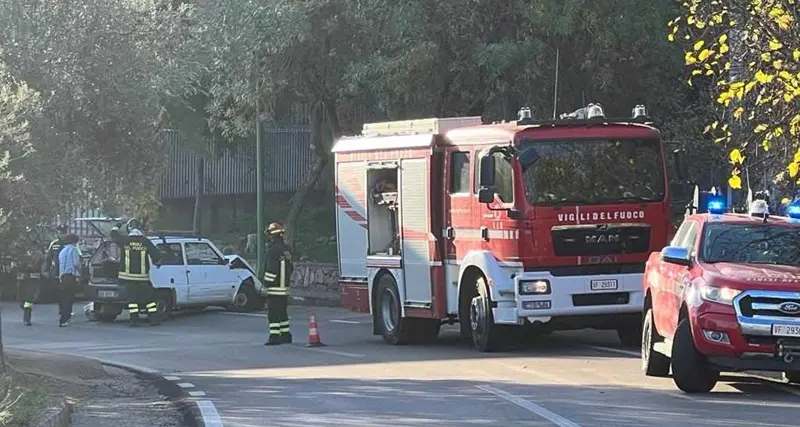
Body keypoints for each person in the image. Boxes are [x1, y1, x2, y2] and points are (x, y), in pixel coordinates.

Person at [110, 219, 163, 327]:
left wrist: (119, 223)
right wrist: (157, 262)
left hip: (128, 278)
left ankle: (134, 321)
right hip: (143, 278)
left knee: (132, 300)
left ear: (129, 229)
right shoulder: (145, 241)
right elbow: (156, 255)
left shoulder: (124, 240)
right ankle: (154, 320)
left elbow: (113, 233)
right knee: (150, 300)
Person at [262, 222, 293, 345]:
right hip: (284, 288)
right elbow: (291, 268)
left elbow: (271, 270)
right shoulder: (286, 250)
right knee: (283, 312)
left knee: (273, 314)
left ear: (271, 235)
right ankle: (286, 335)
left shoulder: (273, 250)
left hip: (274, 288)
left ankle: (274, 337)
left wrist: (265, 284)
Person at [57, 234, 81, 327]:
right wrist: (80, 273)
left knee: (63, 298)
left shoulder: (62, 251)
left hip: (62, 277)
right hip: (70, 277)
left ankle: (62, 317)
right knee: (69, 298)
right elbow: (76, 264)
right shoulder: (74, 250)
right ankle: (65, 318)